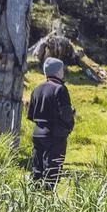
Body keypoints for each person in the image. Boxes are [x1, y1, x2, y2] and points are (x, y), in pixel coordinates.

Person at [26, 57, 75, 189]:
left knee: (37, 171)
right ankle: (46, 203)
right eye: (62, 69)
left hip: (37, 134)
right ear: (58, 72)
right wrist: (70, 123)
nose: (63, 72)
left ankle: (32, 201)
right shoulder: (60, 89)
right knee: (52, 173)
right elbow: (66, 115)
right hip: (55, 135)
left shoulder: (36, 89)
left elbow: (30, 115)